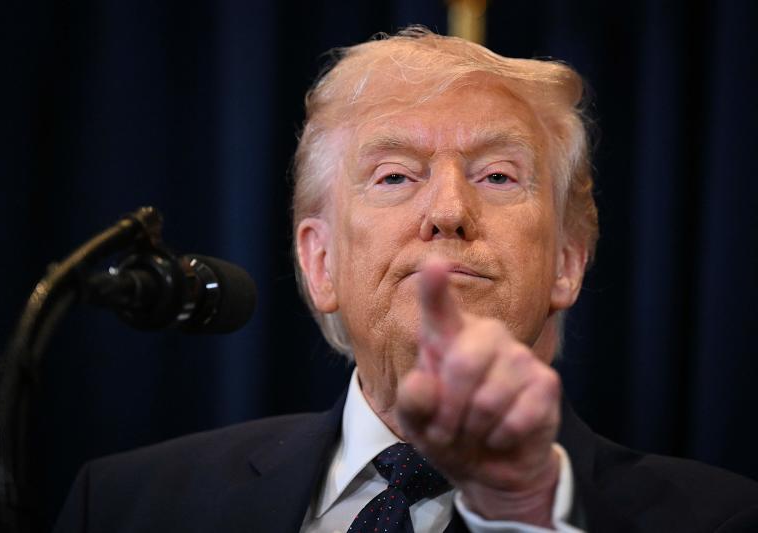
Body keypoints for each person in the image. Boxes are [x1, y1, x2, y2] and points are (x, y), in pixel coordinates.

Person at [55, 26, 758, 532]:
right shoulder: (126, 505)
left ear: (567, 261)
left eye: (497, 175)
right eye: (395, 175)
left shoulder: (722, 517)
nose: (449, 210)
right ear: (320, 262)